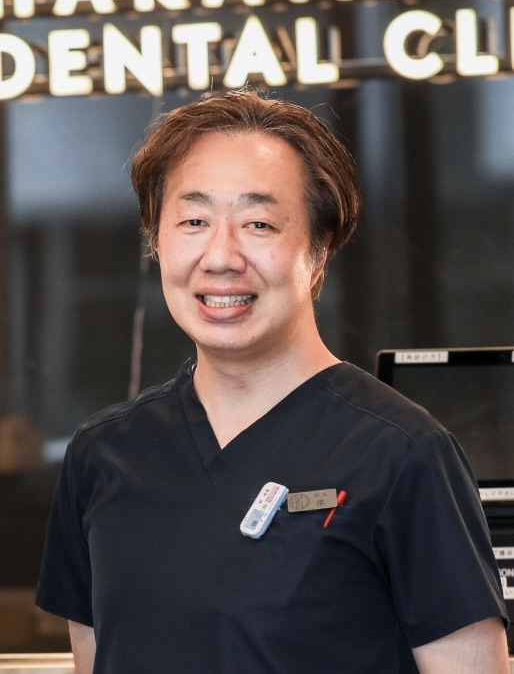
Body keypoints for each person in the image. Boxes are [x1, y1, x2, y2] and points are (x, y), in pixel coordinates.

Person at [36, 89, 509, 674]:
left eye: (258, 223)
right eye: (193, 221)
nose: (221, 256)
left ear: (320, 249)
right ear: (157, 241)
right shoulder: (102, 456)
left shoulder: (401, 454)